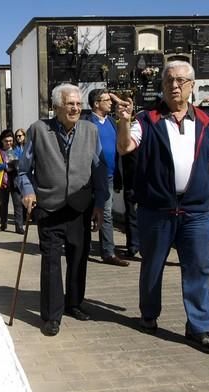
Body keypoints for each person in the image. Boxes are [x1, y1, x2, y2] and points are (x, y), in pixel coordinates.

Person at [115, 60, 209, 353]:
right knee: (152, 266)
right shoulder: (147, 118)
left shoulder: (205, 121)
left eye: (180, 81)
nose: (174, 86)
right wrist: (125, 121)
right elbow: (126, 147)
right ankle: (149, 316)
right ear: (162, 86)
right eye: (168, 81)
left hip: (195, 211)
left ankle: (199, 327)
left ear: (192, 85)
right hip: (157, 209)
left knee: (199, 268)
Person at [17, 83, 108, 337]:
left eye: (79, 104)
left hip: (80, 207)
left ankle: (75, 303)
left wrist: (100, 203)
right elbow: (24, 170)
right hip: (49, 206)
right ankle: (51, 316)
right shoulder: (39, 130)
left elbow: (100, 170)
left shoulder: (90, 131)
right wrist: (28, 191)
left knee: (79, 259)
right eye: (70, 104)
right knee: (51, 262)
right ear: (56, 106)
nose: (76, 108)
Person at [85, 89, 129, 267]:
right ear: (96, 103)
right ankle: (83, 248)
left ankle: (108, 252)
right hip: (89, 177)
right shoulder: (86, 123)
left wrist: (119, 100)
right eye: (107, 100)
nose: (111, 103)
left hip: (109, 176)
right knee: (86, 212)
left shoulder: (111, 121)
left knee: (107, 213)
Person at [0, 129, 24, 234]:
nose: (9, 143)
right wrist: (4, 166)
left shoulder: (16, 149)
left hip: (15, 180)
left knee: (18, 204)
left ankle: (19, 227)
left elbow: (22, 163)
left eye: (11, 141)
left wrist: (17, 165)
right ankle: (3, 224)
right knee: (3, 204)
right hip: (2, 181)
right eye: (6, 141)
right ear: (2, 141)